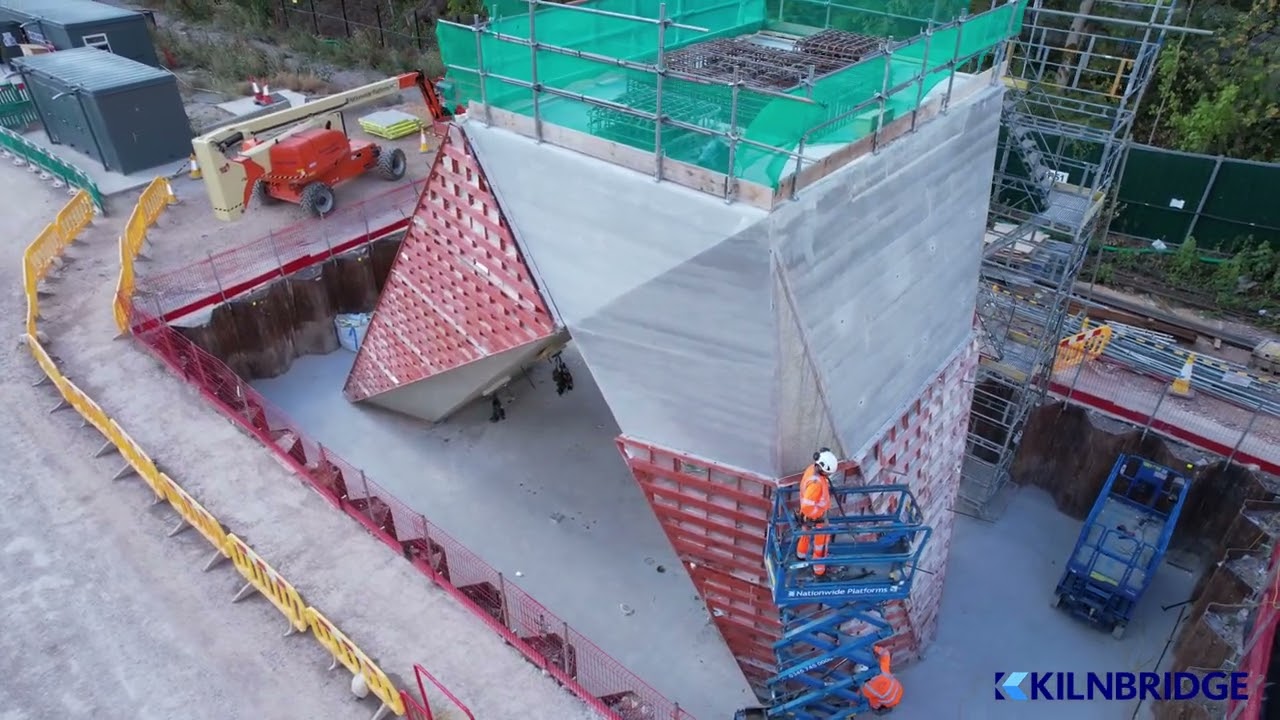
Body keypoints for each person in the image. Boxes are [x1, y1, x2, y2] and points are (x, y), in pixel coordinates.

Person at [795, 448, 837, 576]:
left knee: (805, 536)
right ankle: (819, 571)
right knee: (821, 545)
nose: (828, 475)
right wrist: (818, 517)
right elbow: (808, 506)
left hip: (807, 516)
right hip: (816, 518)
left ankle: (800, 557)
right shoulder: (816, 484)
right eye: (828, 473)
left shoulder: (812, 470)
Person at [861, 645, 904, 713]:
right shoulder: (870, 689)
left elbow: (885, 653)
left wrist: (874, 648)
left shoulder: (883, 669)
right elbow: (863, 692)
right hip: (890, 695)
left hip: (898, 691)